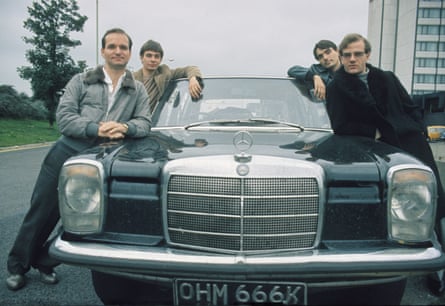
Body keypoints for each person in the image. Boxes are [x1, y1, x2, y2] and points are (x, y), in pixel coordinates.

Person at [5, 28, 152, 291]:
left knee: (87, 222)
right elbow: (65, 118)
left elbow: (144, 122)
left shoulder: (137, 89)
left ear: (130, 52)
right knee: (41, 213)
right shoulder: (81, 80)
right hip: (66, 153)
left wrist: (127, 128)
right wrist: (96, 128)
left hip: (105, 162)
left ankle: (45, 261)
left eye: (123, 47)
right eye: (112, 46)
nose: (118, 51)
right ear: (103, 51)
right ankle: (18, 267)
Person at [325, 33, 445, 296]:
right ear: (342, 57)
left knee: (429, 198)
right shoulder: (336, 86)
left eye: (357, 54)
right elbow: (340, 125)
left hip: (410, 143)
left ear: (368, 54)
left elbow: (409, 105)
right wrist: (374, 133)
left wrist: (417, 129)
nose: (352, 59)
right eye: (347, 55)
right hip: (373, 149)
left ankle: (437, 268)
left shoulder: (386, 77)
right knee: (390, 204)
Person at [133, 39, 203, 112]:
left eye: (156, 56)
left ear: (160, 59)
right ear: (141, 58)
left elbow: (191, 68)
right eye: (149, 56)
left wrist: (193, 78)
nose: (153, 59)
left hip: (153, 121)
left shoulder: (164, 73)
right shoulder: (131, 79)